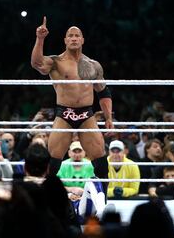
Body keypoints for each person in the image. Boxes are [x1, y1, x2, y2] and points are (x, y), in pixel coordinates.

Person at [31, 16, 113, 195]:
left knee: (100, 158)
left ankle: (102, 201)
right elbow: (37, 63)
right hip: (64, 114)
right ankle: (47, 199)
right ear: (65, 40)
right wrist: (40, 39)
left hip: (86, 115)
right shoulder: (56, 62)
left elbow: (103, 91)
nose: (74, 38)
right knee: (53, 160)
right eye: (70, 35)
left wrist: (108, 117)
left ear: (82, 40)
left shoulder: (93, 65)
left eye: (77, 35)